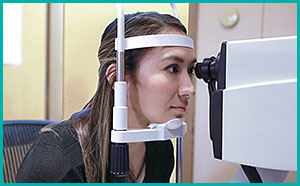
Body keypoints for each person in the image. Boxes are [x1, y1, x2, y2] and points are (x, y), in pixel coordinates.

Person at [16, 11, 196, 183]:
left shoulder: (159, 149)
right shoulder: (56, 161)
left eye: (190, 70)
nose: (189, 88)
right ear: (118, 76)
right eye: (173, 68)